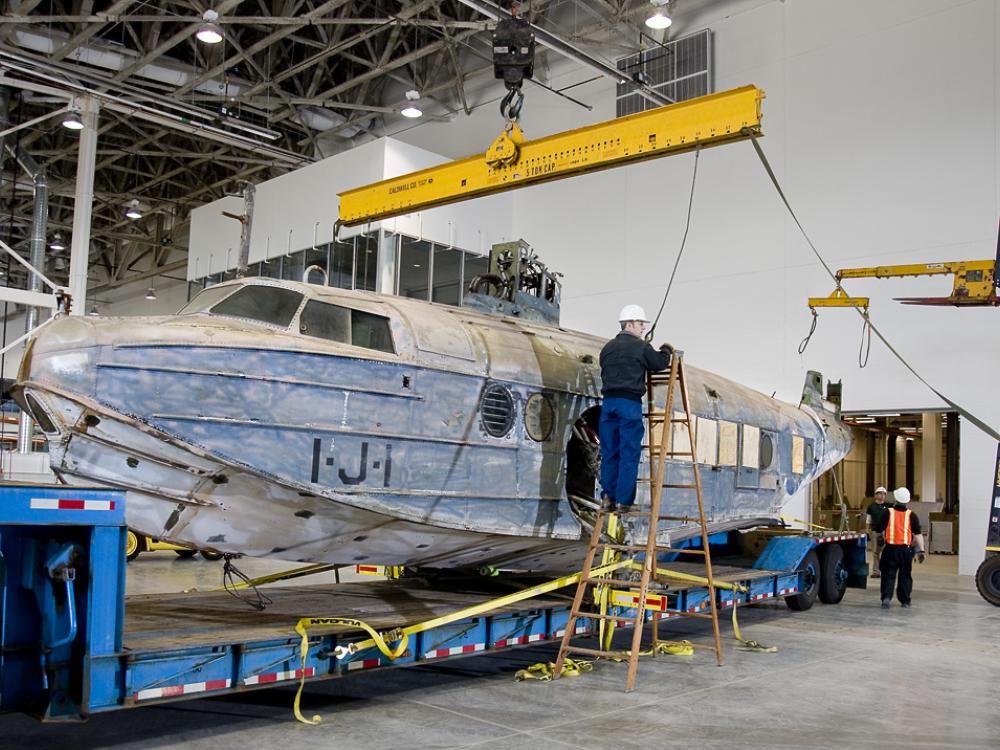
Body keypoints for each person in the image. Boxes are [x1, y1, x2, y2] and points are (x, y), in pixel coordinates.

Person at [598, 304, 671, 513]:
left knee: (609, 453)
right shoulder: (641, 347)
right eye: (640, 324)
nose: (643, 329)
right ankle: (623, 501)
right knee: (629, 453)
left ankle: (607, 499)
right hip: (628, 405)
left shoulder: (607, 348)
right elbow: (659, 363)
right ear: (629, 323)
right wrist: (665, 350)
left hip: (608, 405)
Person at [873, 486, 926, 608]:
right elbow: (918, 534)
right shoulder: (912, 515)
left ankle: (886, 598)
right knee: (905, 576)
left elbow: (878, 529)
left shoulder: (888, 512)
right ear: (907, 501)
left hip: (890, 550)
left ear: (895, 500)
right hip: (906, 551)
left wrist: (880, 537)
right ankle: (905, 601)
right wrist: (921, 551)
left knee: (888, 575)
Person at [865, 486, 891, 578]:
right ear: (876, 495)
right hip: (875, 532)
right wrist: (867, 530)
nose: (882, 495)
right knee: (875, 552)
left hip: (886, 532)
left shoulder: (888, 507)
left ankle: (886, 570)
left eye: (884, 494)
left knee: (886, 552)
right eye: (880, 493)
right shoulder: (871, 507)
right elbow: (868, 519)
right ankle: (876, 571)